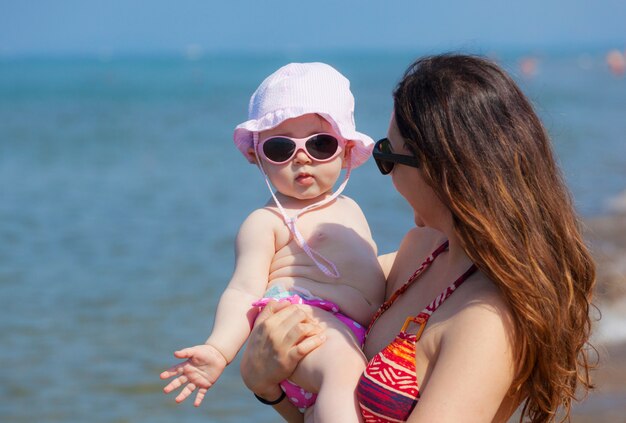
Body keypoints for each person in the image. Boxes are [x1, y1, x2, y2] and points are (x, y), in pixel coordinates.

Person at [240, 54, 597, 423]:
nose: (385, 175)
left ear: (440, 170)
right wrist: (268, 387)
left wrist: (266, 383)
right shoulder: (421, 252)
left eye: (387, 156)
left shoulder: (488, 321)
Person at [160, 62, 385, 422]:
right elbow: (243, 290)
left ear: (345, 150)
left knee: (338, 393)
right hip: (301, 325)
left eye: (320, 144)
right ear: (256, 156)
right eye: (281, 148)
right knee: (343, 370)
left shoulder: (350, 207)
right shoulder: (267, 221)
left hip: (352, 332)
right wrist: (219, 349)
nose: (301, 157)